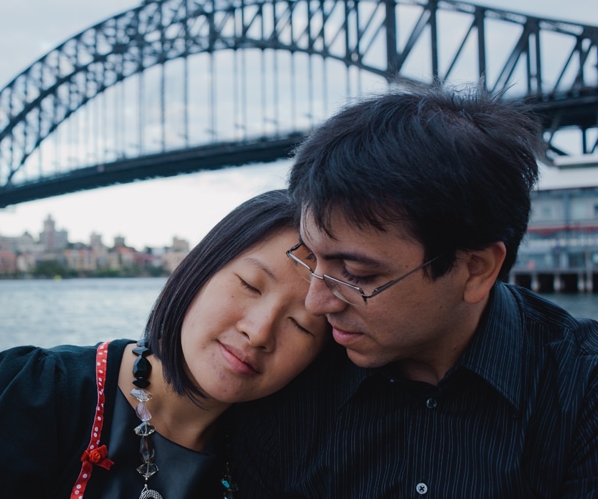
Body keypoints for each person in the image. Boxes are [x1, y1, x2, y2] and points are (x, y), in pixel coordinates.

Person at [233, 85, 598, 497]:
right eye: (312, 259)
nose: (317, 303)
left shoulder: (583, 388)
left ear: (476, 269)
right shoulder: (292, 372)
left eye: (356, 274)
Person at [0, 189, 330, 499]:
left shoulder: (287, 458)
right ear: (198, 270)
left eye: (300, 325)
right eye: (249, 285)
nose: (259, 333)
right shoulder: (41, 394)